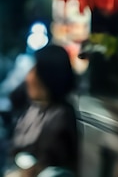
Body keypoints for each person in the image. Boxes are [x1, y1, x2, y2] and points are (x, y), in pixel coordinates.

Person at [5, 45, 78, 177]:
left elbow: (47, 164)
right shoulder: (32, 108)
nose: (28, 77)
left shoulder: (60, 116)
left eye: (34, 70)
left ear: (46, 76)